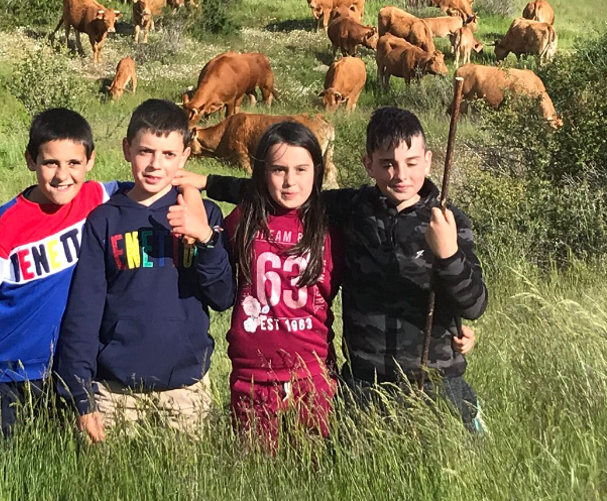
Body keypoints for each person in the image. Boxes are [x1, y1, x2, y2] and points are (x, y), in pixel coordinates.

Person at [180, 107, 487, 433]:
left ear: (427, 160)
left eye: (411, 164)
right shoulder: (354, 208)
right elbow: (286, 193)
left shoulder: (449, 220)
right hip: (366, 379)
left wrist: (449, 254)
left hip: (434, 377)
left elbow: (474, 304)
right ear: (368, 164)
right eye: (388, 164)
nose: (401, 175)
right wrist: (208, 182)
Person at [54, 99, 236, 443]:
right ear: (127, 150)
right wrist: (81, 397)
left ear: (184, 157)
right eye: (145, 152)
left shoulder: (204, 213)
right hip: (113, 392)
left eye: (168, 155)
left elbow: (223, 296)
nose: (155, 164)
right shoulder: (105, 221)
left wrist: (206, 240)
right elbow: (84, 312)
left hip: (185, 388)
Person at [0, 107, 123, 438]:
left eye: (74, 163)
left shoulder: (98, 197)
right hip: (6, 374)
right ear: (31, 160)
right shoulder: (3, 227)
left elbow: (153, 188)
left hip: (70, 368)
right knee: (4, 465)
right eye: (50, 163)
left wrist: (196, 192)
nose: (62, 175)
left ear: (90, 161)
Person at [222, 121, 342, 452]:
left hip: (313, 373)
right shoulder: (242, 219)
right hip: (252, 375)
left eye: (301, 169)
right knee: (257, 471)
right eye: (279, 170)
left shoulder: (329, 225)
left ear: (316, 171)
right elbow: (212, 279)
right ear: (262, 172)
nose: (290, 181)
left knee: (314, 466)